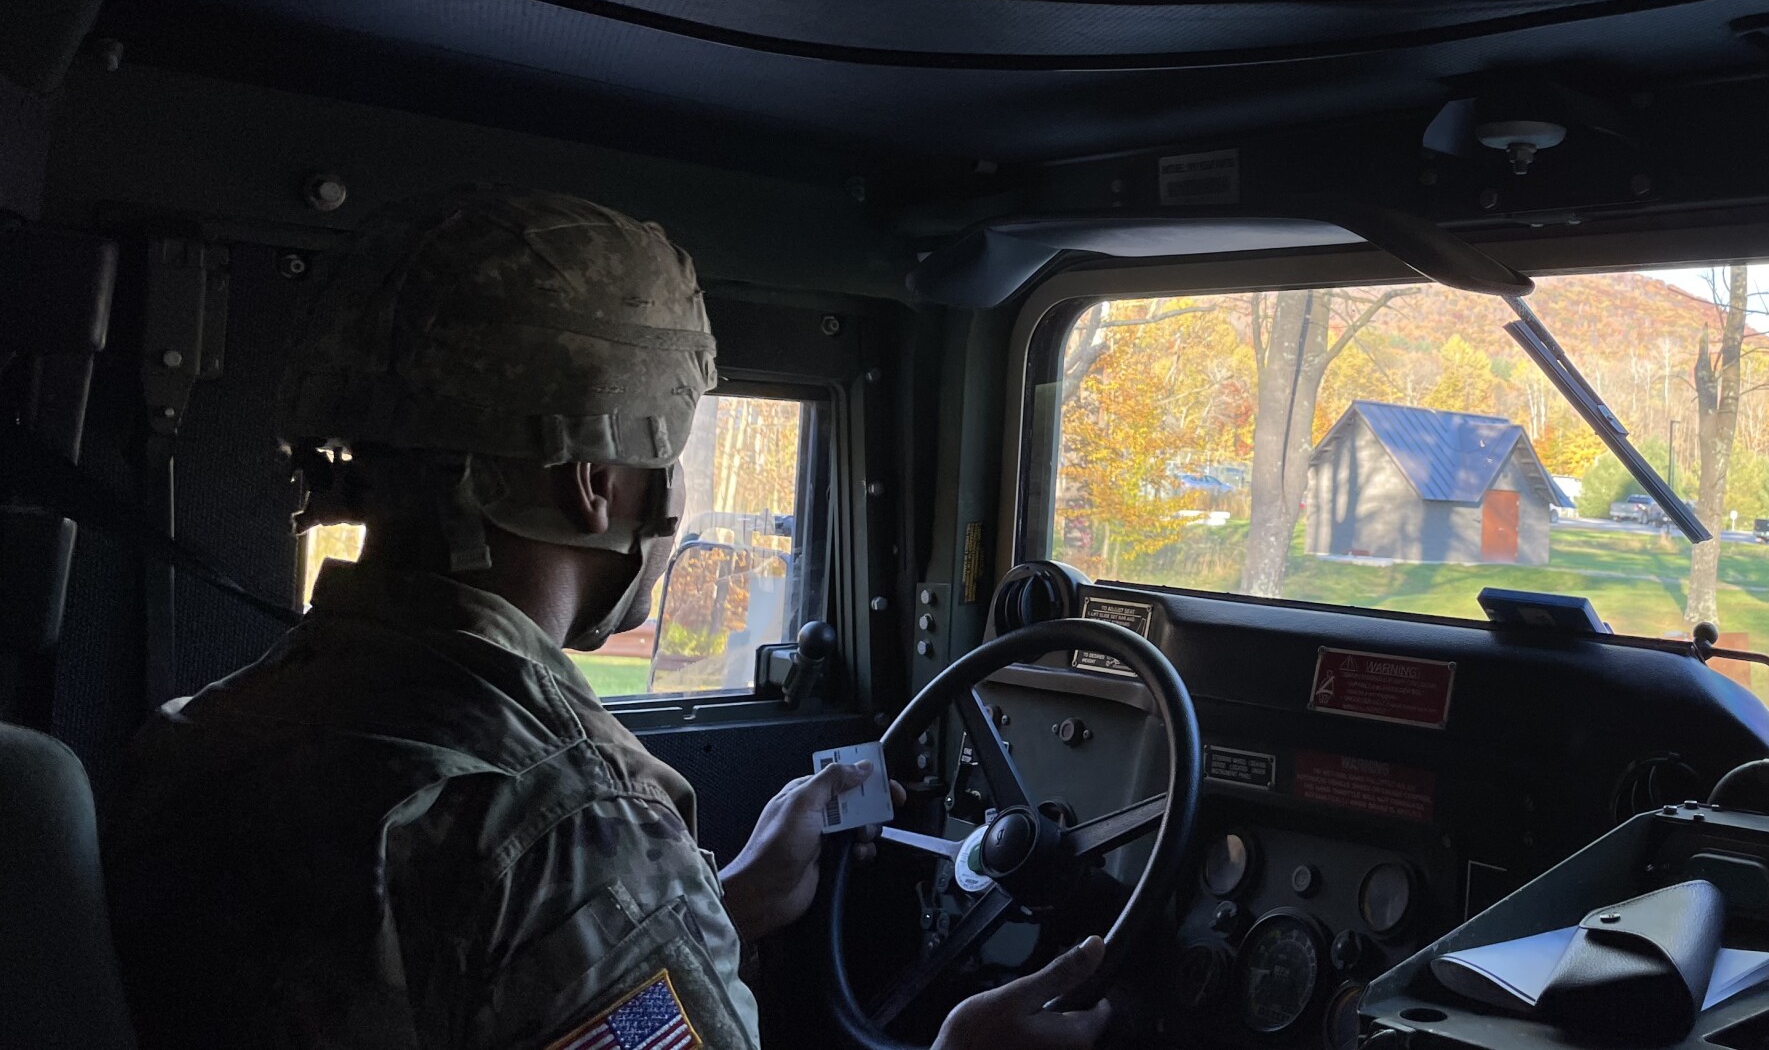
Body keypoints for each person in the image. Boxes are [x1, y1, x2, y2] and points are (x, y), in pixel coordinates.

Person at [101, 187, 1111, 1050]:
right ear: (595, 483)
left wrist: (712, 900)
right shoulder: (561, 825)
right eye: (667, 454)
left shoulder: (200, 733)